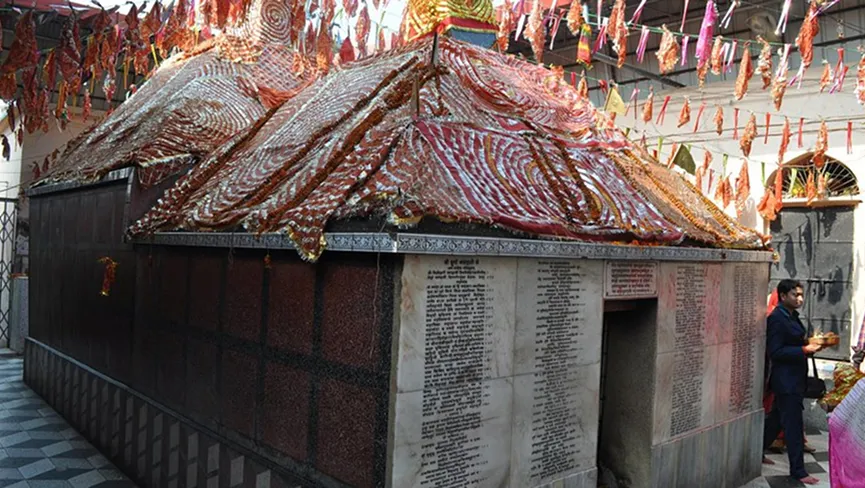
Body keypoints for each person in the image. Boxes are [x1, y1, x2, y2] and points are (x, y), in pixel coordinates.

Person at [763, 280, 825, 485]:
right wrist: (803, 350)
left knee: (775, 420)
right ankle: (798, 471)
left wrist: (811, 344)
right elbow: (776, 351)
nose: (799, 299)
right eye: (794, 295)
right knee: (793, 426)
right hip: (785, 381)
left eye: (801, 295)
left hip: (795, 378)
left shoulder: (792, 316)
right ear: (782, 296)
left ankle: (756, 452)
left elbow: (795, 342)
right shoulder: (777, 319)